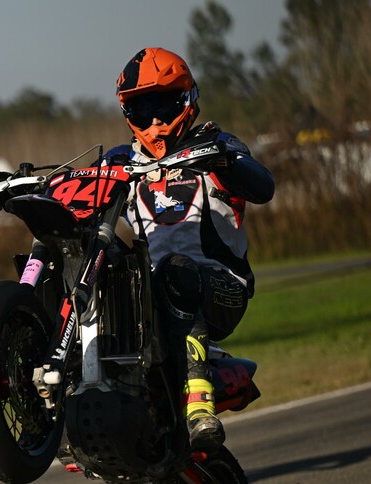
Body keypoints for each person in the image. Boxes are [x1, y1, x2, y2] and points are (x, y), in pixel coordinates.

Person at [107, 47, 274, 451]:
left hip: (222, 291)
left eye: (163, 103)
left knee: (174, 269)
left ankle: (200, 403)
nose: (156, 119)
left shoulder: (216, 142)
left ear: (186, 99)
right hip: (150, 299)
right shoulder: (120, 160)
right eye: (143, 108)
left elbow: (262, 186)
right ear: (129, 113)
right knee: (100, 263)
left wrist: (223, 162)